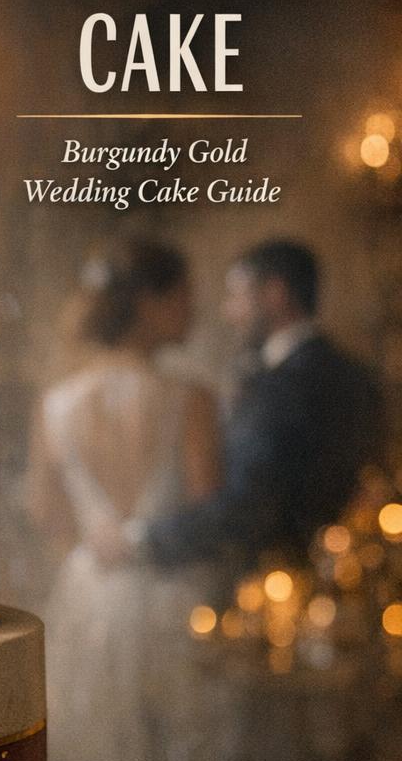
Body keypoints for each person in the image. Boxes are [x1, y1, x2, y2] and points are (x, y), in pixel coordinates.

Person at [31, 237, 231, 761]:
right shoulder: (191, 397)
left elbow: (46, 511)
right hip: (172, 596)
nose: (195, 310)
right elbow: (205, 508)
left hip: (90, 595)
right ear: (148, 303)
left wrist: (95, 548)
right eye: (184, 297)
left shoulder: (56, 402)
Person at [101, 239, 385, 571]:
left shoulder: (285, 386)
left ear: (275, 294)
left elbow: (249, 504)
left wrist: (141, 539)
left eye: (237, 296)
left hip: (290, 576)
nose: (228, 313)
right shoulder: (350, 373)